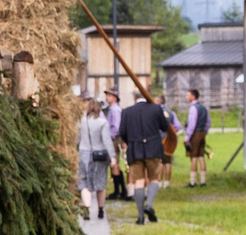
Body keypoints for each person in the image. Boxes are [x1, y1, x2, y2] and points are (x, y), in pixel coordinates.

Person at [117, 86, 173, 224]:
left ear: (134, 98)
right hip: (153, 148)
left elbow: (122, 132)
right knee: (154, 179)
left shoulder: (127, 112)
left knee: (139, 181)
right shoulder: (156, 109)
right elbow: (165, 127)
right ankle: (150, 205)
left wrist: (131, 141)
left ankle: (140, 216)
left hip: (135, 149)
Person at [76, 97, 114, 220]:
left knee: (84, 182)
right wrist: (112, 157)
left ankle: (86, 208)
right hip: (99, 155)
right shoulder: (103, 123)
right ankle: (100, 209)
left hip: (83, 153)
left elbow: (76, 139)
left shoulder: (80, 122)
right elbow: (107, 141)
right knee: (100, 183)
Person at [183, 87, 212, 186]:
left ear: (193, 96)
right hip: (202, 133)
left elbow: (192, 123)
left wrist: (187, 136)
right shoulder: (203, 108)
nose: (186, 97)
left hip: (195, 134)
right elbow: (208, 122)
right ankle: (203, 181)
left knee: (193, 156)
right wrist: (204, 132)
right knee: (201, 156)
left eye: (188, 95)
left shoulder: (193, 108)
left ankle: (193, 181)